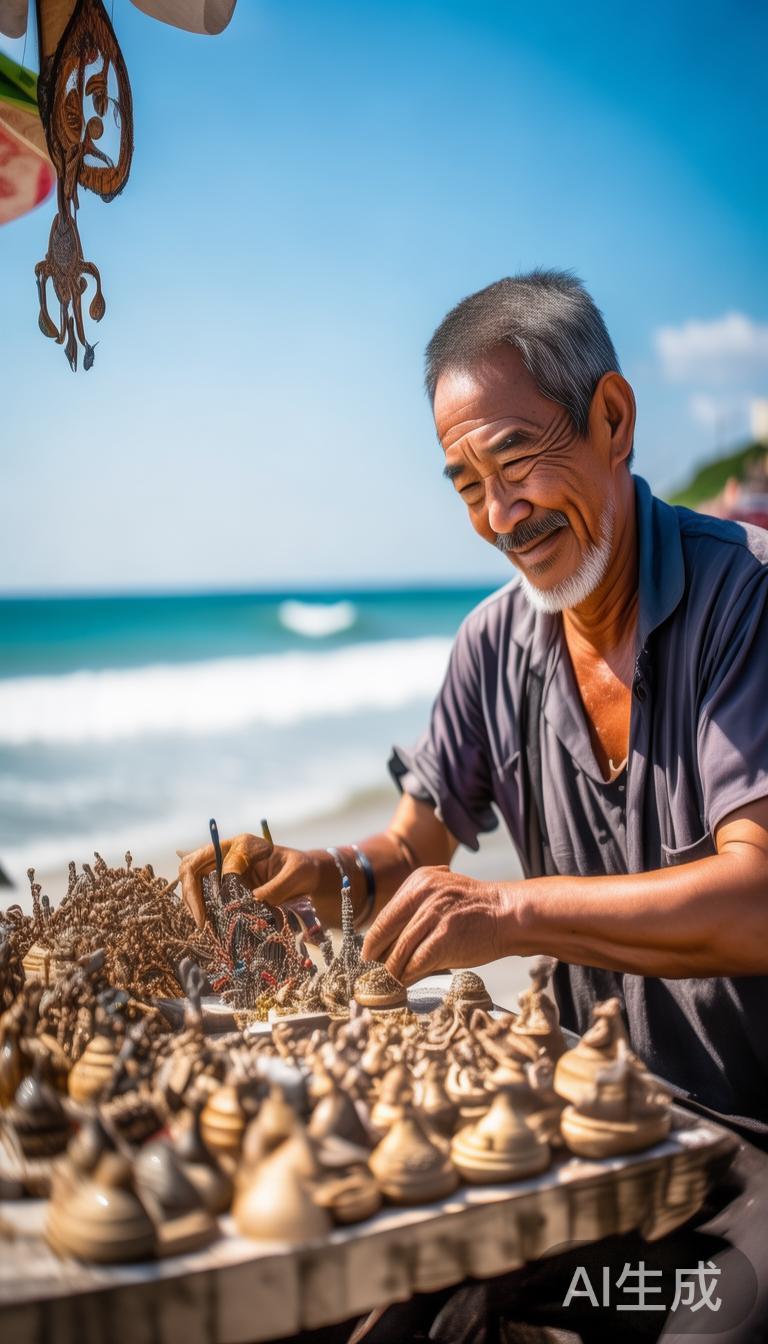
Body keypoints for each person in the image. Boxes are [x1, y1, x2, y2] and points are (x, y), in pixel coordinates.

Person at [181, 271, 768, 1340]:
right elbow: (415, 842)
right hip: (580, 1128)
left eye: (516, 460)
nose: (499, 516)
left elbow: (756, 902)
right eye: (463, 482)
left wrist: (507, 913)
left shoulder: (750, 601)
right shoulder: (494, 642)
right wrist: (316, 872)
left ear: (615, 419)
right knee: (361, 1298)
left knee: (704, 1324)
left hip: (748, 1150)